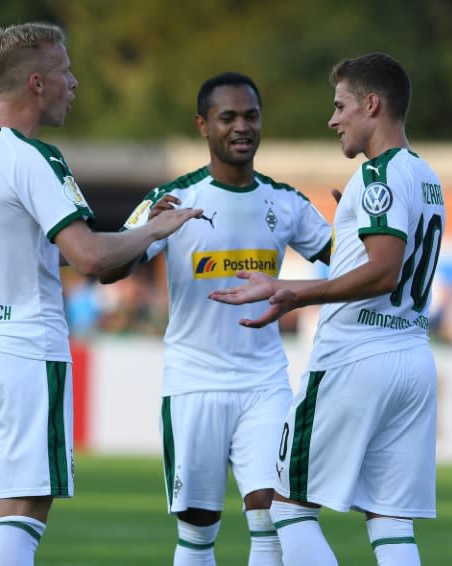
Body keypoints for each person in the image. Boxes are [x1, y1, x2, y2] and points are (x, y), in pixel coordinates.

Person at [0, 22, 201, 566]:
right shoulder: (35, 158)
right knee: (24, 511)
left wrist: (128, 234)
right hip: (22, 350)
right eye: (65, 71)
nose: (74, 83)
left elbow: (30, 248)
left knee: (4, 509)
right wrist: (153, 232)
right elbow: (89, 257)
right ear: (36, 82)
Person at [209, 53, 445, 566]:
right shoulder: (425, 176)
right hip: (412, 355)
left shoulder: (377, 177)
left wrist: (294, 291)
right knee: (390, 521)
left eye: (341, 106)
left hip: (356, 358)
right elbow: (385, 259)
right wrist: (349, 229)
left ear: (372, 105)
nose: (333, 119)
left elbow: (384, 270)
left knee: (289, 509)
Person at [99, 72, 332, 565]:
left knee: (270, 518)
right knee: (198, 532)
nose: (242, 127)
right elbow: (109, 269)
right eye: (228, 118)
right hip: (193, 382)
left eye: (251, 116)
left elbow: (346, 263)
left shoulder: (285, 201)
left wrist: (354, 222)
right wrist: (148, 231)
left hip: (264, 383)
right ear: (203, 125)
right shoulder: (174, 198)